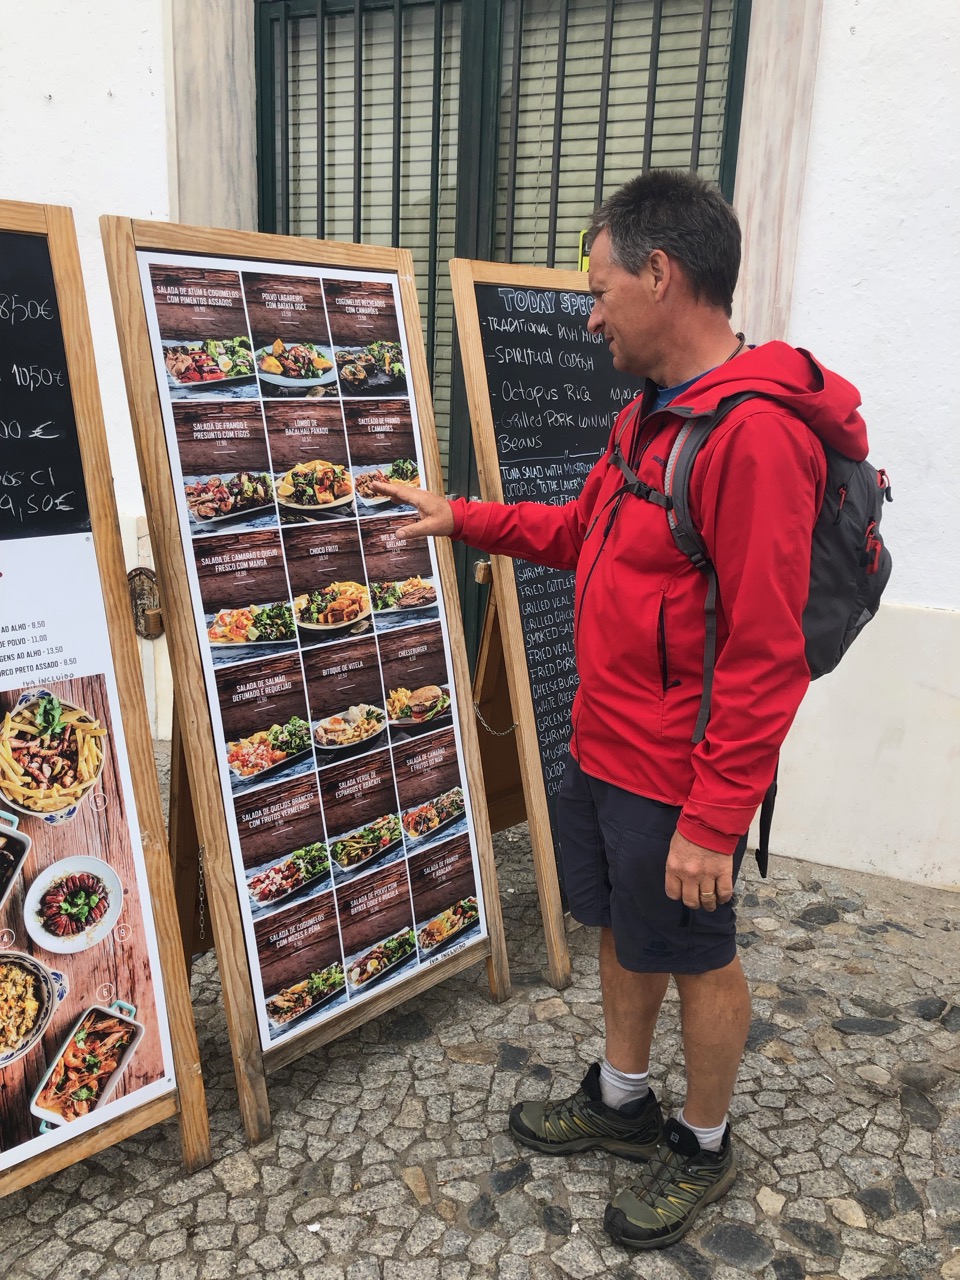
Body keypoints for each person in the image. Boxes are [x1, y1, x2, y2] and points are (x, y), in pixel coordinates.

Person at [373, 169, 869, 1250]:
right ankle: (623, 1094)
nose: (590, 315)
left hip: (679, 770)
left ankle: (702, 1140)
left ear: (661, 275)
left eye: (600, 290)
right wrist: (462, 516)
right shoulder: (649, 415)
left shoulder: (754, 439)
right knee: (625, 930)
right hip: (605, 740)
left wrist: (715, 816)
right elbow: (580, 532)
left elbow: (767, 652)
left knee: (697, 951)